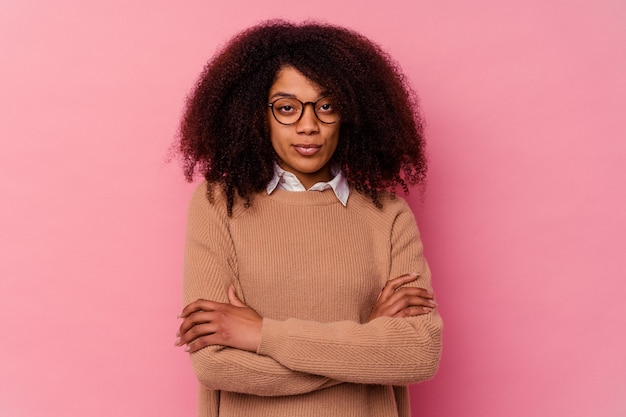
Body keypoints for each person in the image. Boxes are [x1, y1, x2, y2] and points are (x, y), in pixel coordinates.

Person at [174, 20, 443, 417]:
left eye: (326, 106)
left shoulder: (388, 216)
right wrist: (368, 342)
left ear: (350, 112)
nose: (308, 125)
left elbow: (419, 354)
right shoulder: (218, 204)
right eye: (286, 108)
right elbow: (216, 364)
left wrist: (262, 334)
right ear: (255, 113)